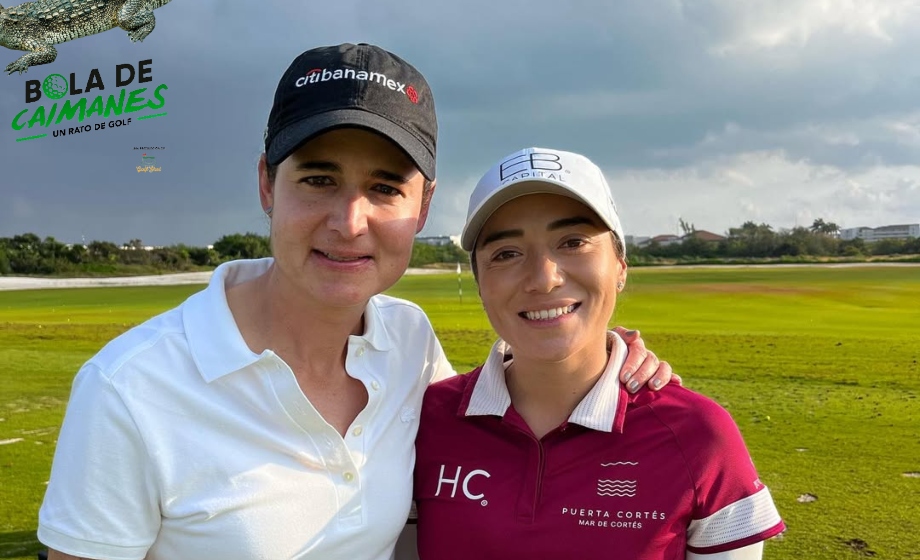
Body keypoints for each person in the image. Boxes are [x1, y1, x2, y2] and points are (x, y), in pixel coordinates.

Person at [37, 45, 676, 560]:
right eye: (319, 179)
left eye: (384, 188)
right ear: (267, 184)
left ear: (422, 205)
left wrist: (599, 358)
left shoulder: (407, 339)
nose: (349, 222)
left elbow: (486, 427)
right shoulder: (130, 387)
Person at [412, 147, 786, 559]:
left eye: (573, 242)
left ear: (620, 267)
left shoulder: (699, 434)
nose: (544, 278)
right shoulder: (424, 420)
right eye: (506, 254)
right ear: (480, 285)